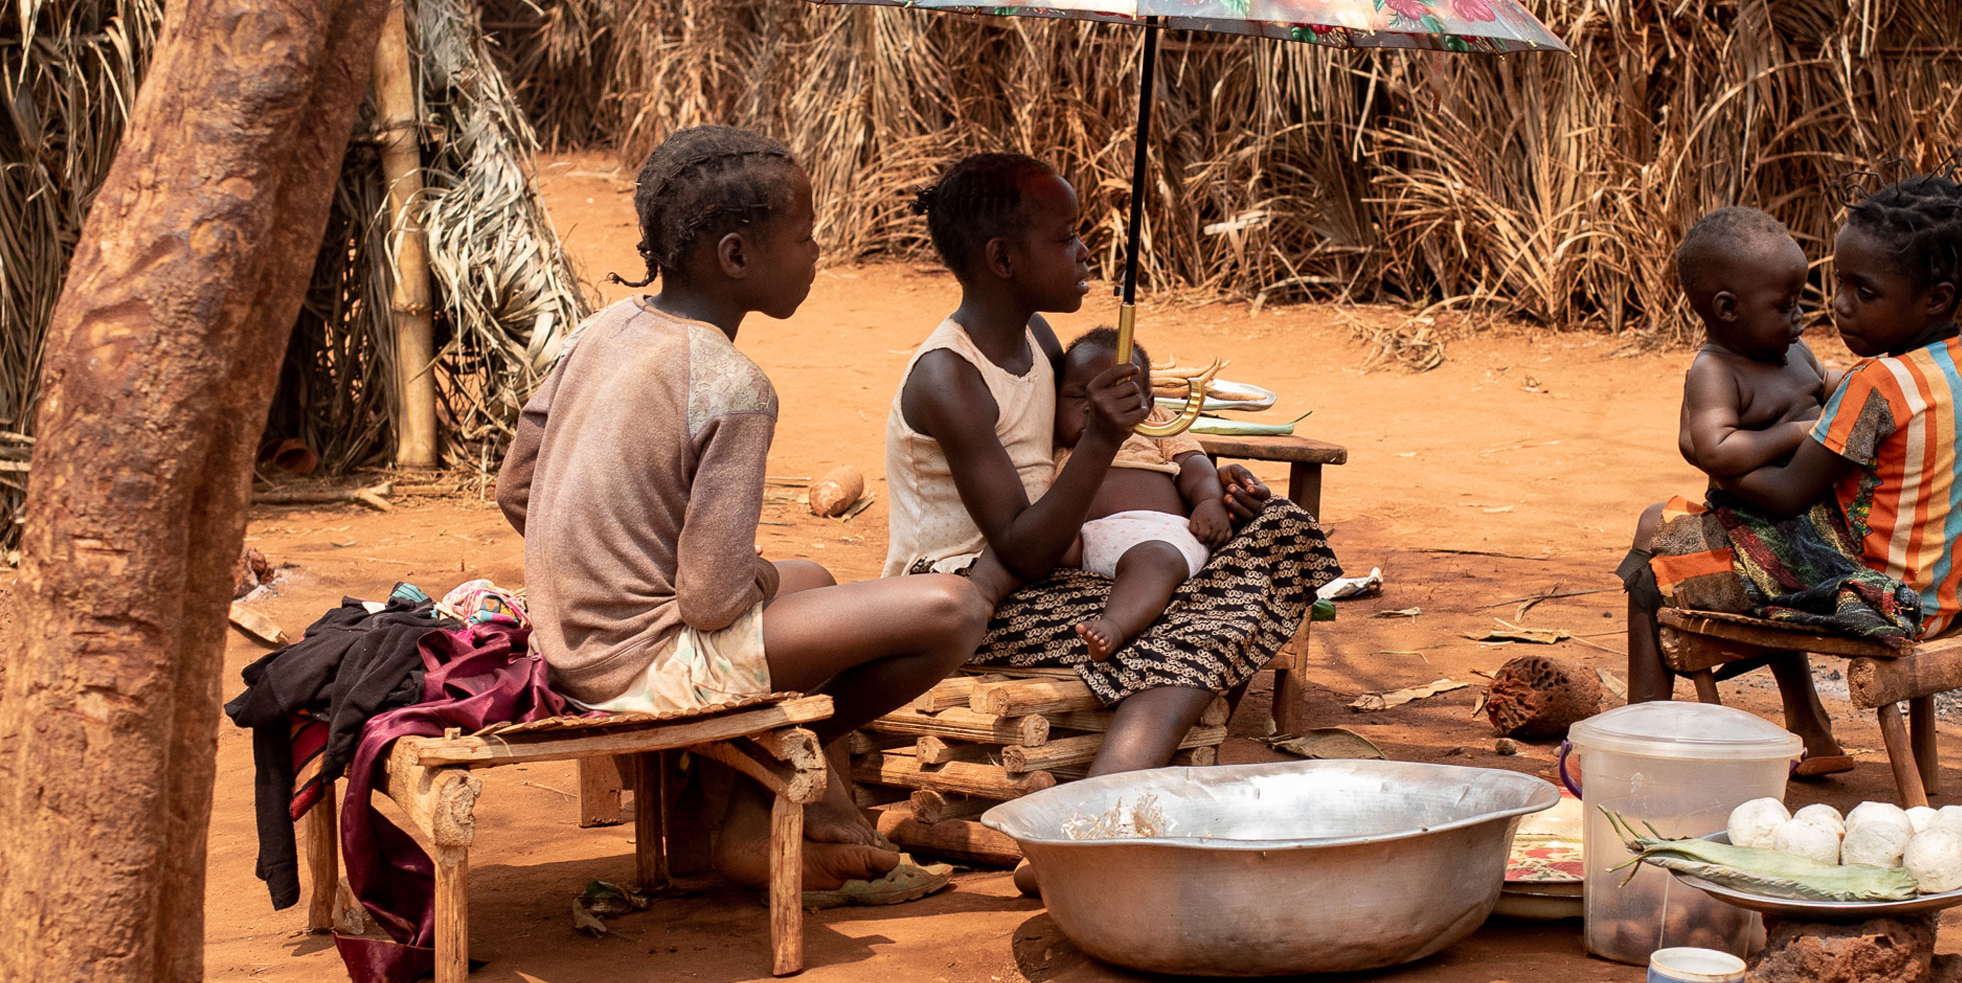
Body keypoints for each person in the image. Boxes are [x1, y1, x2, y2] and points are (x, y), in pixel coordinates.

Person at [499, 125, 995, 884]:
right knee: (955, 609)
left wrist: (613, 560)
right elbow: (710, 599)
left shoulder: (603, 329)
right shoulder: (733, 385)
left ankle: (790, 807)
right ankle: (765, 781)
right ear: (735, 255)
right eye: (804, 237)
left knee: (819, 582)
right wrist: (749, 578)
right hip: (646, 666)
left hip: (566, 639)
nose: (817, 252)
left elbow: (516, 488)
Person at [883, 152, 1339, 772]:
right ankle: (1107, 794)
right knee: (1195, 610)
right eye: (1067, 238)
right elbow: (1020, 548)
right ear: (1002, 259)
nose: (1085, 252)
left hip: (1056, 569)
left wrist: (1203, 491)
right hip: (967, 595)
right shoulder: (949, 377)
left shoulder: (1040, 341)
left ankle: (1133, 757)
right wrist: (1103, 437)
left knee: (1281, 533)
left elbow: (1076, 475)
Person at [1621, 173, 1962, 686]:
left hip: (1879, 593)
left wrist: (1702, 451)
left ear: (1934, 299)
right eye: (1839, 281)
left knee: (1654, 535)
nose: (1839, 304)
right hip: (1941, 562)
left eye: (1864, 291)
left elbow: (1783, 496)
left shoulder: (1874, 386)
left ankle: (1642, 717)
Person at [1620, 206, 1853, 773]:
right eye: (1786, 305)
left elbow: (1826, 383)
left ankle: (1642, 722)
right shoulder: (1715, 371)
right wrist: (1803, 429)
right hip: (1760, 533)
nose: (1801, 318)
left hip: (1785, 542)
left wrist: (1850, 380)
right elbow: (1718, 448)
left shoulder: (1793, 353)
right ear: (1727, 309)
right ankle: (1807, 725)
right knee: (1657, 542)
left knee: (1649, 550)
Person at [1047, 325, 1229, 661]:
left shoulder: (1158, 423)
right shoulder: (1051, 440)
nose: (1098, 408)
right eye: (1079, 397)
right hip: (1085, 541)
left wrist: (1209, 501)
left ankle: (1114, 626)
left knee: (1153, 561)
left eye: (1123, 397)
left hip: (1159, 536)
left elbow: (1195, 465)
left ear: (1148, 403)